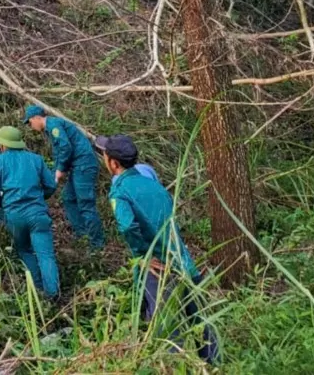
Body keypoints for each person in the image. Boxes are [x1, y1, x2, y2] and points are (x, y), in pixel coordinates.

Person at [96, 134, 219, 364]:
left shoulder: (120, 191)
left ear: (113, 163)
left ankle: (173, 367)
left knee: (168, 330)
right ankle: (216, 365)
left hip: (160, 270)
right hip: (184, 263)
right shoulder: (153, 184)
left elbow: (126, 225)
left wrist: (144, 254)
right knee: (200, 321)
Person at [0, 125, 60, 298]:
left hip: (14, 215)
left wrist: (2, 203)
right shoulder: (36, 159)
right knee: (46, 255)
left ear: (3, 145)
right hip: (37, 214)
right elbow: (50, 186)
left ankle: (38, 290)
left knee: (25, 250)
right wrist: (40, 199)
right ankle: (53, 295)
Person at [25, 104, 104, 249]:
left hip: (84, 165)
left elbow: (65, 146)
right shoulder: (51, 128)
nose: (31, 126)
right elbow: (60, 152)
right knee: (68, 198)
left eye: (30, 122)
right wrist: (55, 172)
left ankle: (96, 244)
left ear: (37, 118)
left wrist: (60, 169)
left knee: (86, 204)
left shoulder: (53, 125)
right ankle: (82, 235)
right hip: (77, 166)